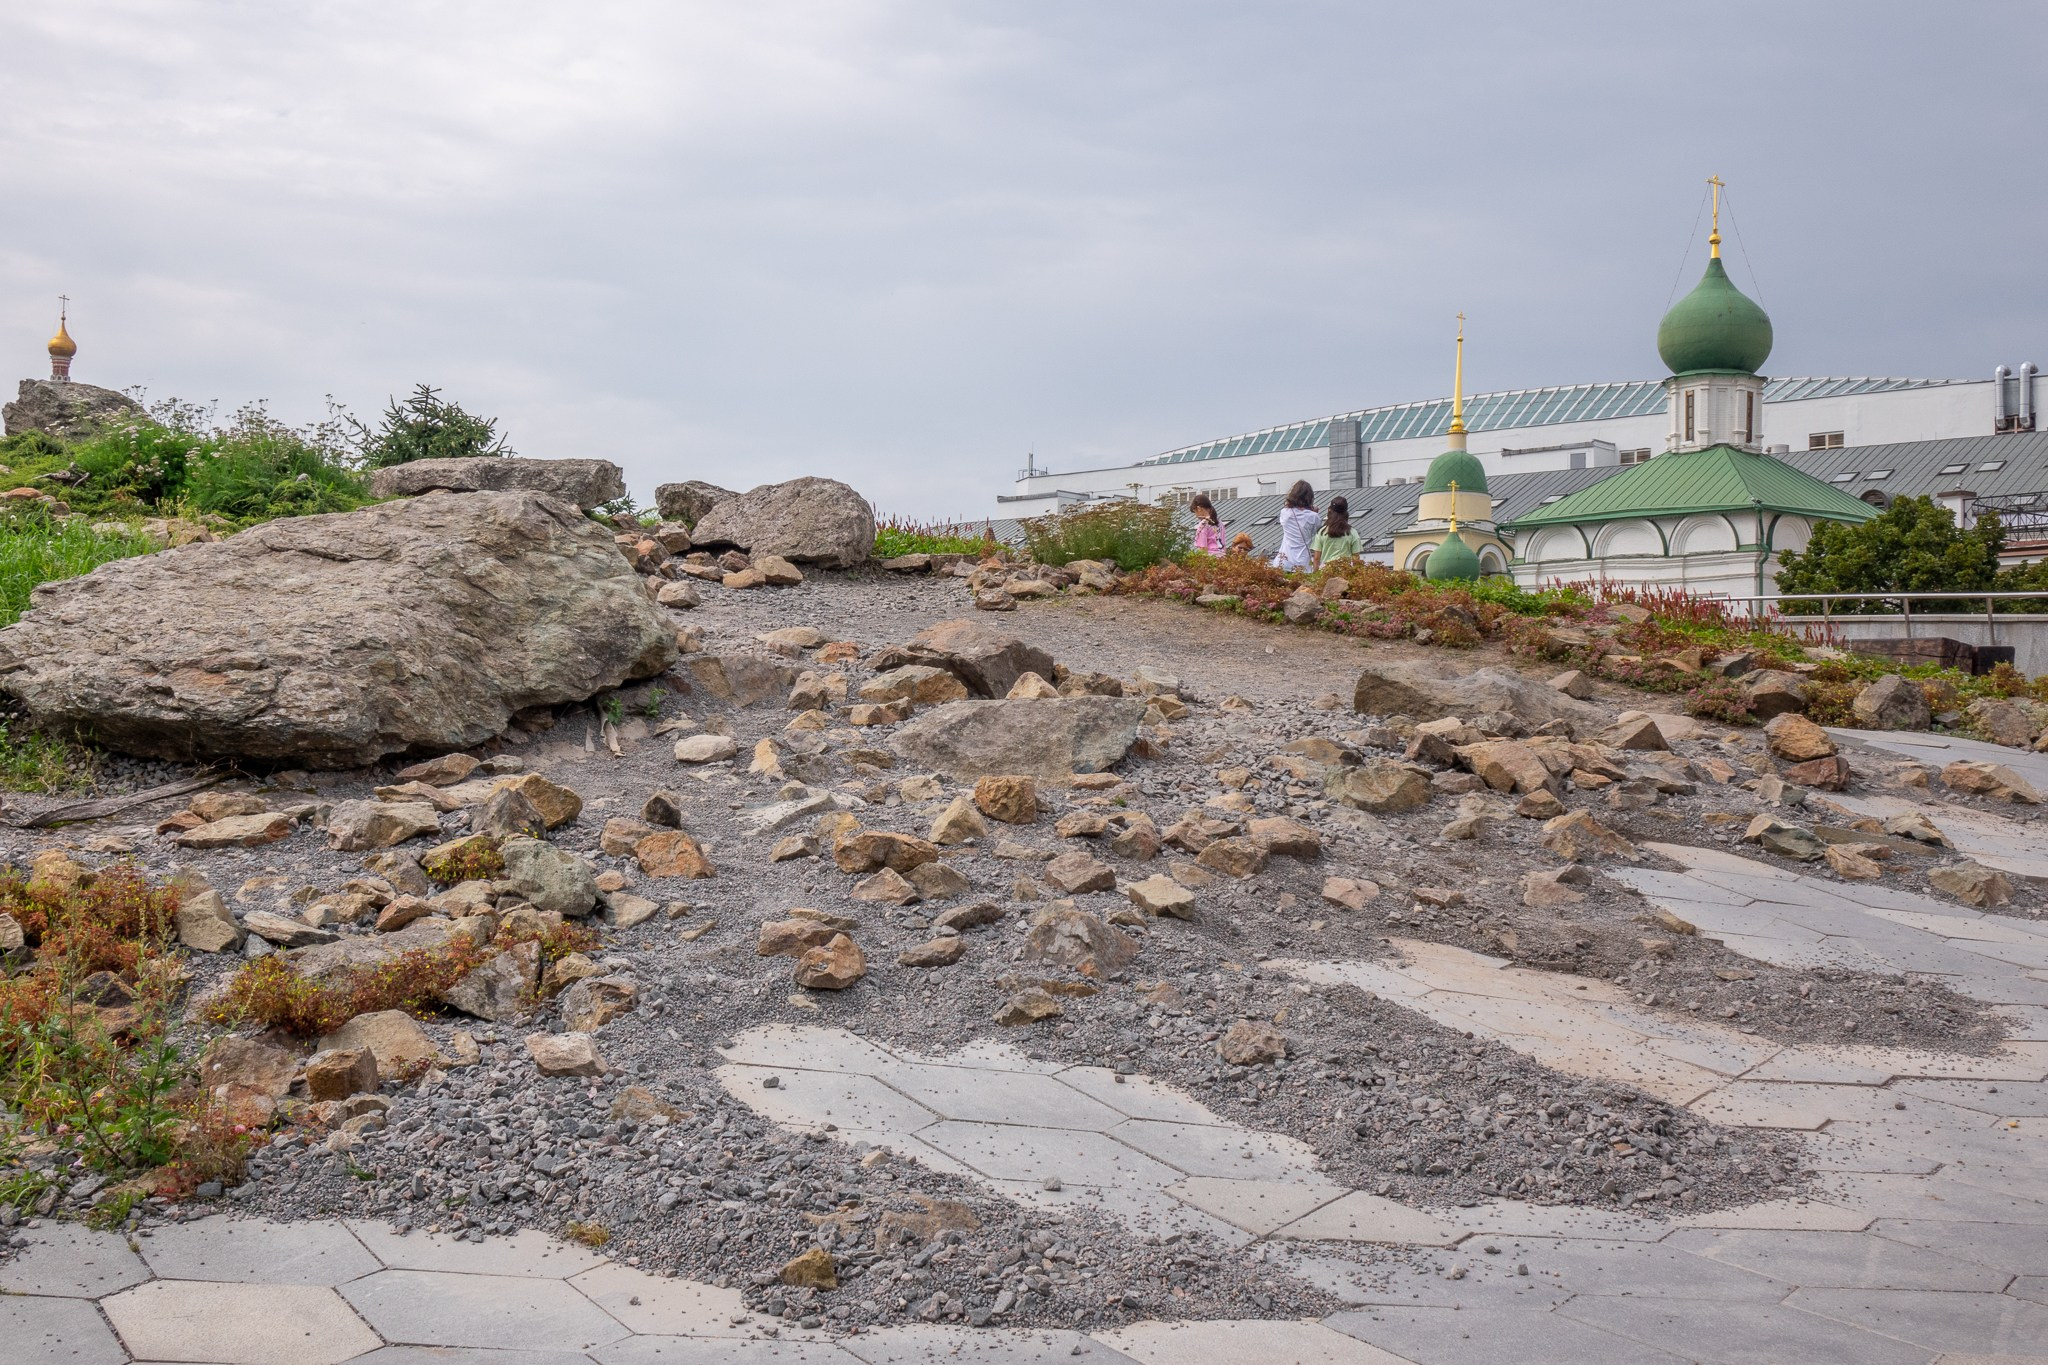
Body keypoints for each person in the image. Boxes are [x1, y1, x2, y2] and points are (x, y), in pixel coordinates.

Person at [1274, 480, 1318, 571]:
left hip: (1283, 561)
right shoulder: (1313, 517)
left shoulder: (1285, 513)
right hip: (1302, 562)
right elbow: (1315, 533)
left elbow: (1292, 513)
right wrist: (1313, 512)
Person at [1311, 495, 1361, 569]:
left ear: (1330, 510)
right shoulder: (1352, 532)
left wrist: (1315, 573)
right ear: (1346, 512)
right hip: (1345, 571)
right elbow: (1356, 559)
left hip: (1326, 571)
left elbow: (1316, 558)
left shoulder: (1322, 532)